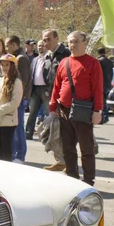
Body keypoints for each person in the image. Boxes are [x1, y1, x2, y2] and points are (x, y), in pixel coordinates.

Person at [49, 31, 103, 187]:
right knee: (68, 148)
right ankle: (72, 178)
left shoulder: (93, 63)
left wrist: (97, 111)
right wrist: (53, 106)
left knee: (86, 149)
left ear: (85, 43)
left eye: (76, 41)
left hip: (83, 110)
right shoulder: (64, 62)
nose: (72, 45)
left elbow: (98, 88)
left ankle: (88, 181)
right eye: (70, 42)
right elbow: (57, 87)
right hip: (63, 110)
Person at [42, 28, 71, 171]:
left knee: (66, 131)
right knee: (50, 130)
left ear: (56, 38)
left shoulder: (66, 54)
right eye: (44, 39)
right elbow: (48, 76)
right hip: (52, 98)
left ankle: (67, 162)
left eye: (48, 39)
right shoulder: (47, 56)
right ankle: (61, 160)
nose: (46, 42)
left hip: (65, 99)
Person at [5, 35, 32, 164]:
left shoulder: (21, 59)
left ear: (13, 44)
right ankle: (14, 154)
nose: (5, 48)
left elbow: (24, 81)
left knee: (18, 127)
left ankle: (20, 156)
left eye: (7, 45)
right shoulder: (15, 58)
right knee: (14, 126)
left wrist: (18, 97)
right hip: (16, 97)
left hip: (20, 98)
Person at [26, 40, 52, 140]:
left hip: (45, 90)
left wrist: (49, 89)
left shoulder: (49, 59)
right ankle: (28, 133)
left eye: (43, 46)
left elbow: (51, 76)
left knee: (49, 113)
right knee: (32, 113)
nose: (41, 47)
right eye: (39, 46)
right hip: (35, 90)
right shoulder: (35, 60)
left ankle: (49, 135)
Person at [97, 47, 114, 124]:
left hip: (101, 84)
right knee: (105, 101)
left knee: (101, 101)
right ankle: (105, 116)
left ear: (98, 53)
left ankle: (103, 117)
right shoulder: (110, 61)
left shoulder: (99, 61)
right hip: (108, 84)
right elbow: (111, 73)